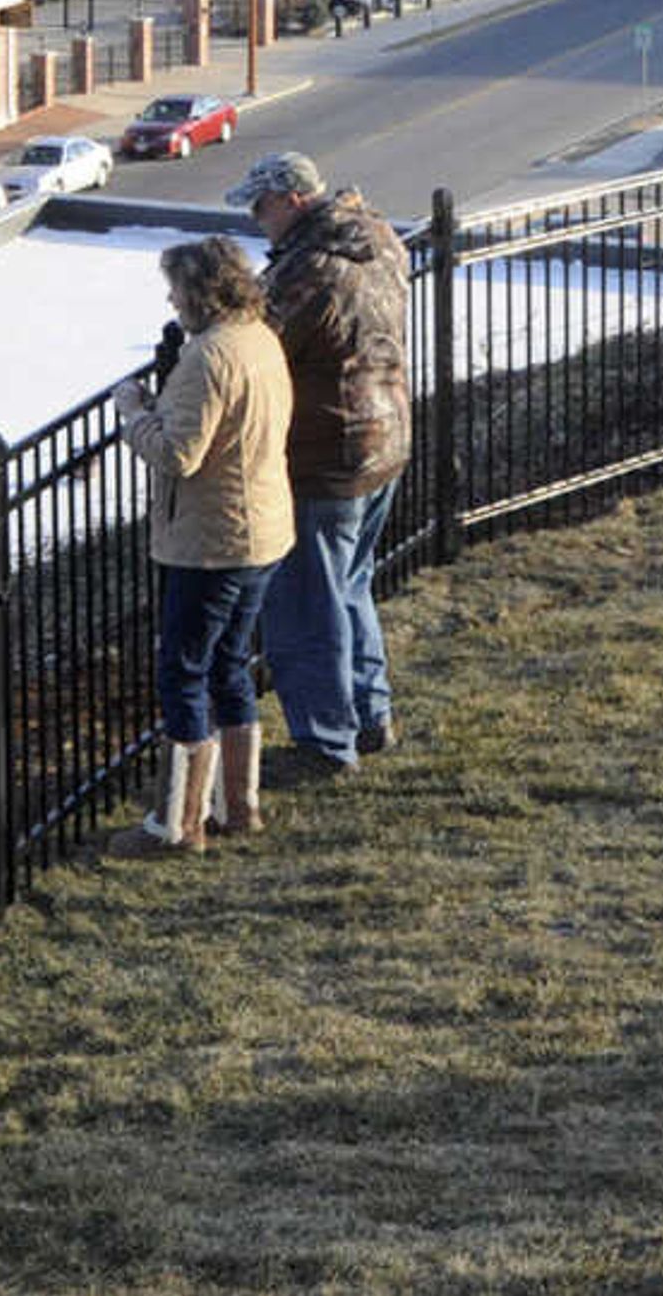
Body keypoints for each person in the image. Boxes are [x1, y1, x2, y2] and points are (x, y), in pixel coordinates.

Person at [108, 234, 294, 857]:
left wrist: (134, 413)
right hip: (262, 528)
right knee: (229, 665)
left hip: (211, 540)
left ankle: (178, 826)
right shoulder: (259, 339)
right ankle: (239, 807)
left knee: (183, 672)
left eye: (176, 289)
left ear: (199, 293)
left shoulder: (208, 357)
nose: (170, 299)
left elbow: (179, 454)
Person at [230, 151, 412, 784]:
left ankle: (325, 744)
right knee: (350, 584)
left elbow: (252, 344)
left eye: (261, 207)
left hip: (324, 451)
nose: (257, 221)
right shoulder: (380, 238)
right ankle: (369, 715)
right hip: (385, 437)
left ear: (292, 199)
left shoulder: (310, 269)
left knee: (305, 602)